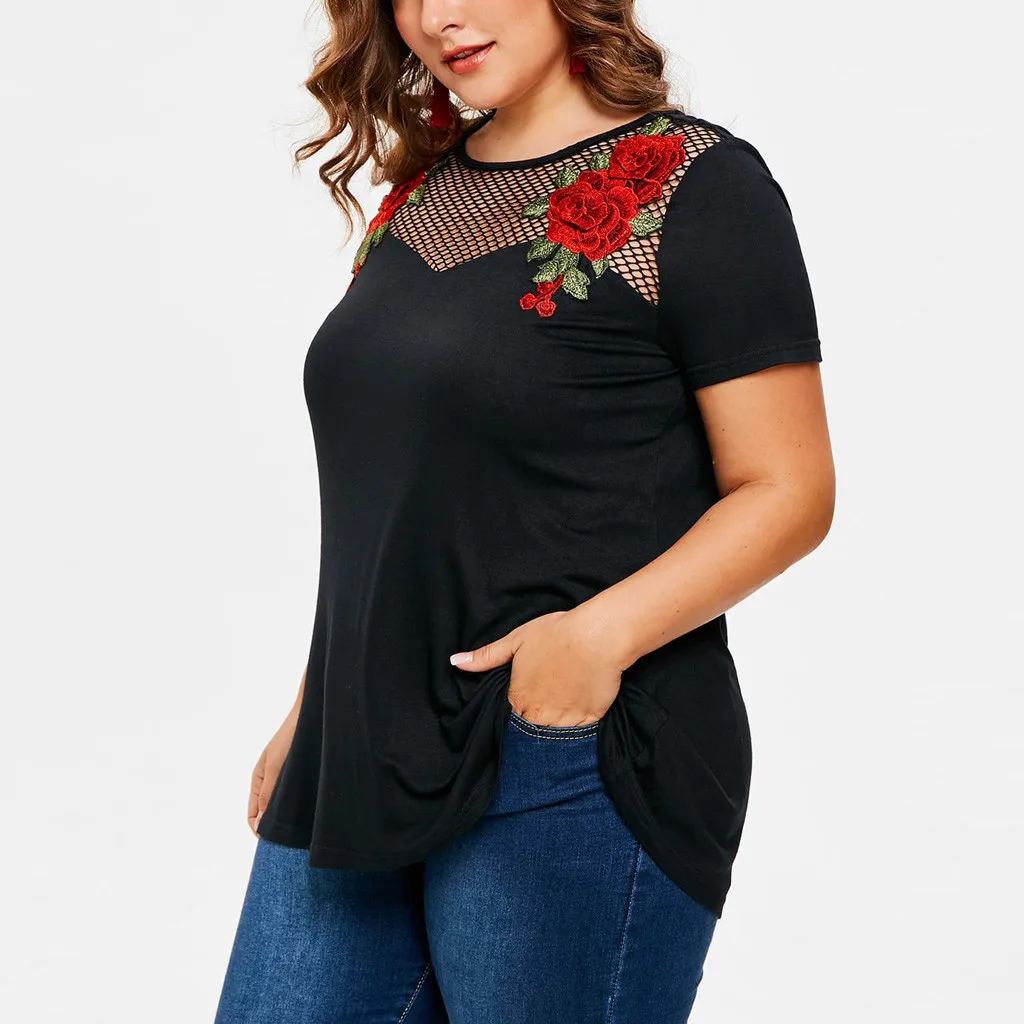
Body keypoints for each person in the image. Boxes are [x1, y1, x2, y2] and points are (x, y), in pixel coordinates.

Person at [215, 0, 836, 1020]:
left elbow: (789, 488)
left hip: (568, 754)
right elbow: (410, 496)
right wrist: (313, 706)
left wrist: (590, 642)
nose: (437, 18)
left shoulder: (697, 182)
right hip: (358, 744)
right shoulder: (422, 190)